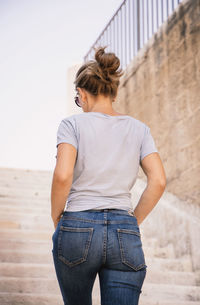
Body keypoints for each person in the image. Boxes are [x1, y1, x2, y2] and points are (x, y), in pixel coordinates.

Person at [51, 45, 166, 305]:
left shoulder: (71, 125)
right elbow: (158, 180)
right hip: (123, 228)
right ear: (112, 92)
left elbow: (62, 176)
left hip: (77, 225)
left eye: (77, 100)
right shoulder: (140, 129)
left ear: (81, 93)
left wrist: (57, 217)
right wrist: (131, 223)